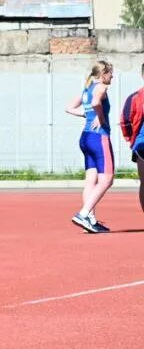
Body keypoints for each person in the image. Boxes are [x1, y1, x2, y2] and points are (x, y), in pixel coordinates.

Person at [67, 60, 114, 233]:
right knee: (107, 179)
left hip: (85, 138)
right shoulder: (101, 87)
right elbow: (95, 103)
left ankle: (90, 220)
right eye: (110, 73)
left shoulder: (86, 89)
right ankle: (84, 214)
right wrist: (100, 117)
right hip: (98, 138)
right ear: (103, 74)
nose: (112, 76)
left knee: (91, 181)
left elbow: (69, 108)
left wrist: (88, 115)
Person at [119, 63, 144, 216]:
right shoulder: (135, 98)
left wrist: (131, 139)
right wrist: (131, 140)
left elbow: (125, 121)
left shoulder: (134, 97)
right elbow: (126, 121)